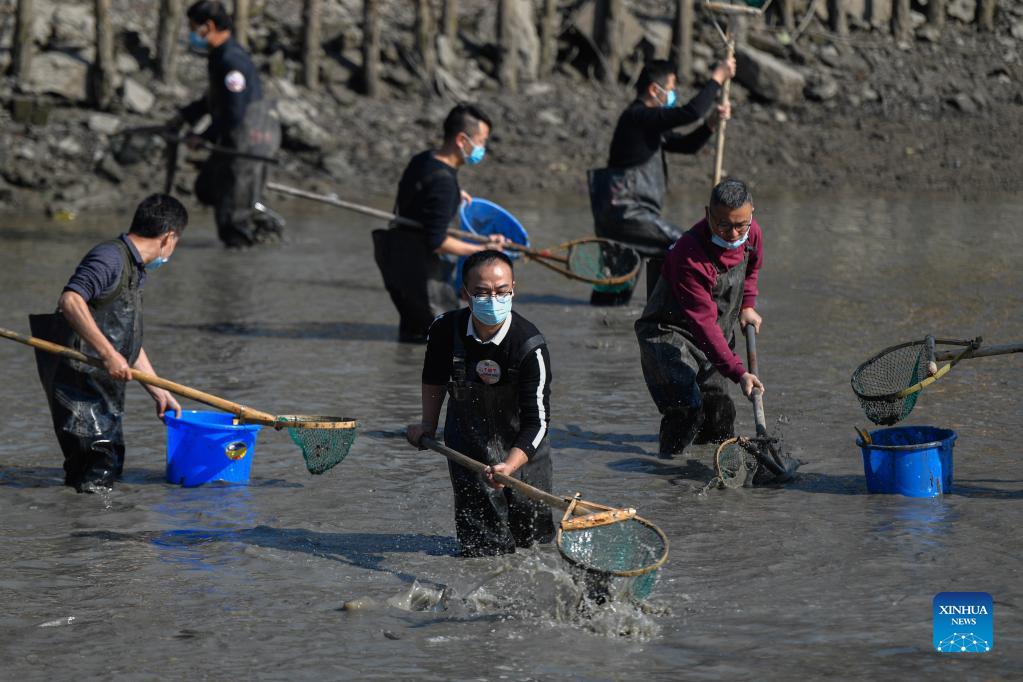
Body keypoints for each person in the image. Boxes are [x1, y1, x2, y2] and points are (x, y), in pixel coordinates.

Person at [29, 194, 187, 492]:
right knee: (97, 469)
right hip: (79, 388)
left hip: (103, 392)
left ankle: (89, 529)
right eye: (176, 243)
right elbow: (70, 300)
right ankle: (91, 534)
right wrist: (108, 353)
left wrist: (158, 390)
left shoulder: (134, 269)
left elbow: (125, 340)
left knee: (107, 468)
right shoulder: (110, 258)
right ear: (168, 237)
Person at [407, 250, 554, 557]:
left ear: (513, 289)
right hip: (466, 448)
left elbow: (537, 421)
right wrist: (428, 425)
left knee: (534, 546)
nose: (493, 299)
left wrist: (510, 466)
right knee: (481, 549)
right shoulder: (445, 330)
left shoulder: (530, 346)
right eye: (482, 293)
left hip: (522, 452)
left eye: (501, 292)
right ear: (465, 294)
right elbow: (434, 379)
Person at [588, 57, 735, 306]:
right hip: (627, 215)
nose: (674, 94)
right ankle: (691, 306)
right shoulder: (637, 117)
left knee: (611, 296)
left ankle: (649, 312)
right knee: (688, 245)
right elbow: (691, 112)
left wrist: (710, 124)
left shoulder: (649, 125)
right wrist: (717, 78)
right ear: (654, 90)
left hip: (619, 219)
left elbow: (685, 145)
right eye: (671, 88)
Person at [634, 178, 764, 458]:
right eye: (723, 224)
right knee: (687, 409)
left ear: (751, 212)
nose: (732, 233)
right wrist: (739, 372)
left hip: (716, 335)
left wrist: (747, 305)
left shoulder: (751, 233)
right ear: (708, 215)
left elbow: (751, 269)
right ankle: (670, 473)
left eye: (740, 224)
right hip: (669, 333)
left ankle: (715, 475)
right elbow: (703, 324)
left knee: (720, 413)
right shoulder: (690, 256)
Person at [373, 104, 506, 343]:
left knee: (412, 338)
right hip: (425, 280)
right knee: (444, 344)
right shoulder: (443, 185)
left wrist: (456, 193)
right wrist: (482, 251)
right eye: (481, 141)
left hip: (399, 266)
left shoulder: (424, 160)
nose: (482, 149)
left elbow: (420, 199)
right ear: (461, 140)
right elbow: (437, 241)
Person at [172, 0, 283, 247]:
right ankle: (256, 220)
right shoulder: (220, 56)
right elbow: (214, 99)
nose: (192, 36)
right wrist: (184, 117)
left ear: (208, 26)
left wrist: (203, 137)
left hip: (250, 140)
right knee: (207, 188)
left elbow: (235, 111)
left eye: (193, 29)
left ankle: (243, 255)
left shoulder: (232, 61)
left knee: (232, 219)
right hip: (235, 137)